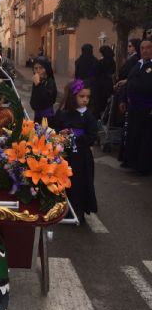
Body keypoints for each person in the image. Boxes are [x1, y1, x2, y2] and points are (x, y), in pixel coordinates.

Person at [55, 79, 98, 223]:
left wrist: (78, 136)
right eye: (81, 96)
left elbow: (92, 136)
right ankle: (63, 210)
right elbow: (55, 130)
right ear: (73, 97)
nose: (85, 100)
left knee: (80, 184)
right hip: (66, 156)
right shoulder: (64, 113)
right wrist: (62, 133)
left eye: (87, 97)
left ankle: (78, 211)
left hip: (82, 158)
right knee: (66, 183)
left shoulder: (89, 116)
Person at [120, 37, 152, 175]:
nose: (145, 51)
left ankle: (143, 166)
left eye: (148, 47)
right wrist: (123, 100)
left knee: (145, 138)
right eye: (142, 48)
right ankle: (131, 162)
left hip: (147, 109)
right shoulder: (137, 65)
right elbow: (129, 83)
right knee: (133, 135)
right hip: (133, 108)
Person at [29, 57, 57, 127]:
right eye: (36, 68)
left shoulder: (50, 82)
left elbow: (48, 99)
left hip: (47, 119)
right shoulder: (37, 81)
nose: (38, 71)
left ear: (46, 69)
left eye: (41, 68)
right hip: (37, 117)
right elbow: (34, 100)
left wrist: (38, 85)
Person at [95, 45, 116, 118]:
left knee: (101, 101)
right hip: (109, 83)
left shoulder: (101, 61)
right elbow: (113, 71)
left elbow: (97, 71)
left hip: (101, 83)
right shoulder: (112, 61)